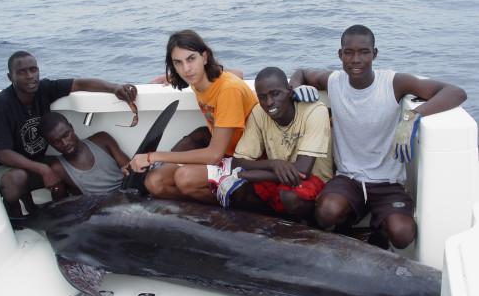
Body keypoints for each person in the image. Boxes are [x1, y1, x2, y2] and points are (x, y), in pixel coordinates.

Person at [289, 25, 467, 249]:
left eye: (364, 52)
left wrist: (412, 118)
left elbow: (455, 92)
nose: (356, 59)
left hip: (388, 182)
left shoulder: (393, 83)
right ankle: (350, 236)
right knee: (326, 213)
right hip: (349, 178)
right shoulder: (334, 81)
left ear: (374, 54)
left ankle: (377, 236)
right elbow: (302, 73)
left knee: (402, 234)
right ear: (340, 55)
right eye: (349, 52)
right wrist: (296, 87)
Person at [0, 50, 137, 217]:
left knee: (60, 171)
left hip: (33, 160)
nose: (29, 76)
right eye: (21, 72)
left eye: (33, 70)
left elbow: (81, 84)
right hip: (0, 167)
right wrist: (43, 169)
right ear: (10, 77)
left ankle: (51, 212)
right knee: (18, 178)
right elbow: (1, 154)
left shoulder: (43, 89)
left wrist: (115, 88)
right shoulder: (1, 104)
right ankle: (12, 206)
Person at [128, 29, 258, 204]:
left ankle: (242, 209)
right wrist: (175, 78)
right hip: (226, 155)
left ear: (205, 57)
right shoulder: (199, 81)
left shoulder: (228, 90)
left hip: (247, 161)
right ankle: (208, 211)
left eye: (191, 59)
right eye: (178, 63)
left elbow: (213, 156)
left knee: (185, 178)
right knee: (154, 182)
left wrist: (153, 156)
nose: (186, 69)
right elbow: (238, 73)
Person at [214, 67, 333, 225]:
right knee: (238, 191)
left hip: (314, 179)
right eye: (262, 97)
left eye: (275, 94)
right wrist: (274, 164)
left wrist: (244, 175)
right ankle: (284, 225)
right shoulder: (259, 112)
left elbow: (302, 171)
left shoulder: (314, 111)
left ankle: (313, 227)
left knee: (289, 196)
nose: (269, 102)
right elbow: (238, 162)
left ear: (289, 91)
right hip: (279, 175)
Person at [39, 112, 130, 199]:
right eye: (57, 142)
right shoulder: (58, 169)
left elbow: (131, 172)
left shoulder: (102, 139)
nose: (65, 143)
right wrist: (55, 188)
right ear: (50, 144)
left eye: (66, 135)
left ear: (71, 127)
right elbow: (61, 204)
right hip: (99, 210)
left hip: (129, 196)